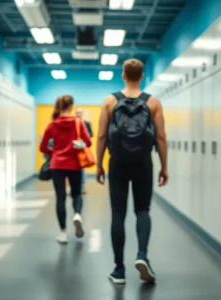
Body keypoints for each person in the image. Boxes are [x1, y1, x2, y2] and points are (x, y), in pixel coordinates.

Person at [96, 59, 168, 284]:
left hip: (117, 163)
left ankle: (119, 270)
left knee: (118, 213)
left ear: (123, 75)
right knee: (143, 210)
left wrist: (98, 164)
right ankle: (142, 255)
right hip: (143, 163)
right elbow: (161, 137)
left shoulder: (109, 101)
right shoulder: (153, 103)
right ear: (142, 75)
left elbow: (100, 136)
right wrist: (165, 166)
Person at [40, 95, 91, 244]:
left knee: (60, 197)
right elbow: (87, 142)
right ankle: (77, 214)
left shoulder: (52, 125)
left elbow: (42, 147)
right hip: (74, 164)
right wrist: (80, 145)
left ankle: (63, 233)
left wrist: (54, 153)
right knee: (76, 193)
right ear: (71, 106)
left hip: (56, 165)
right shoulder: (78, 123)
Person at [75, 108, 93, 194]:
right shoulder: (73, 123)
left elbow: (91, 135)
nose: (78, 114)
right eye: (77, 113)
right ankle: (73, 187)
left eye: (80, 113)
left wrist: (85, 137)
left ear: (82, 114)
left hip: (83, 149)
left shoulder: (87, 123)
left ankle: (82, 187)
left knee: (82, 169)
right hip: (74, 149)